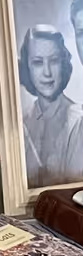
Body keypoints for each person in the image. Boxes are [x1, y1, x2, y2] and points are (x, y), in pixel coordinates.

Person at [20, 23, 83, 189]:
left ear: (63, 64)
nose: (47, 72)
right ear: (27, 66)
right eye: (38, 62)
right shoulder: (22, 121)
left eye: (54, 61)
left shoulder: (79, 121)